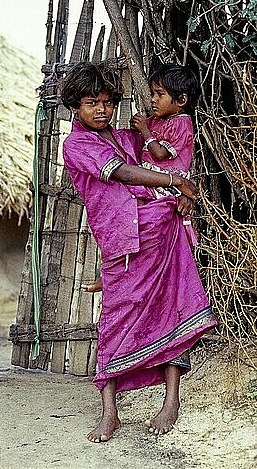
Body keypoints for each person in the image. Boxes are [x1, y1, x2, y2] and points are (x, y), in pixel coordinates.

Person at [60, 61, 217, 442]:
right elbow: (123, 174)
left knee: (171, 308)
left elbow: (166, 156)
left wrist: (183, 195)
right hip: (120, 244)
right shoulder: (77, 144)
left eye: (107, 102)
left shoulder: (126, 137)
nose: (100, 110)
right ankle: (109, 412)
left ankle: (171, 402)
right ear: (74, 107)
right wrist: (175, 181)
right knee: (114, 320)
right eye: (90, 103)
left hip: (160, 232)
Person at [83, 63, 200, 293]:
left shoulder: (181, 124)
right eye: (153, 93)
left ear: (182, 99)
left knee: (137, 225)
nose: (153, 100)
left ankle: (114, 273)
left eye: (159, 94)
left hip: (164, 187)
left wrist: (145, 131)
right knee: (122, 221)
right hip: (152, 185)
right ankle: (111, 272)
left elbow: (159, 153)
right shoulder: (157, 121)